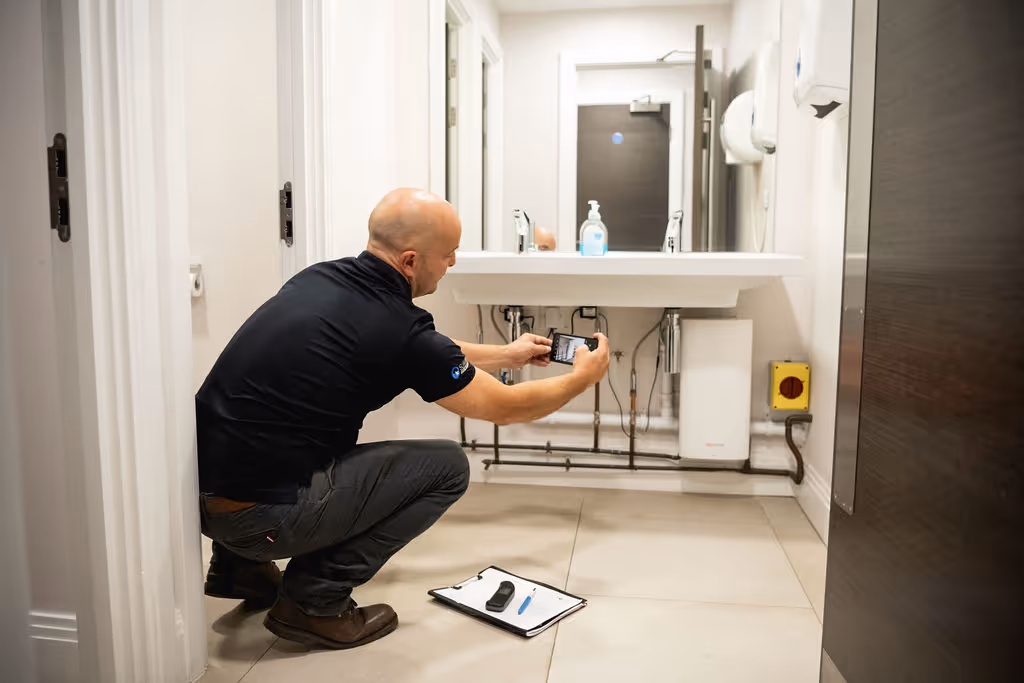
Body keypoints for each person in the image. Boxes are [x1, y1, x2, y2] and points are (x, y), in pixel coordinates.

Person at [196, 188, 610, 650]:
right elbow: (506, 408)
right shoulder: (398, 329)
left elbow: (417, 348)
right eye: (448, 254)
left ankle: (240, 571)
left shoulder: (322, 280)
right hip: (261, 520)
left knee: (276, 436)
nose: (453, 262)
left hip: (208, 501)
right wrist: (582, 378)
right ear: (411, 262)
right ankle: (314, 601)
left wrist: (506, 353)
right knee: (447, 467)